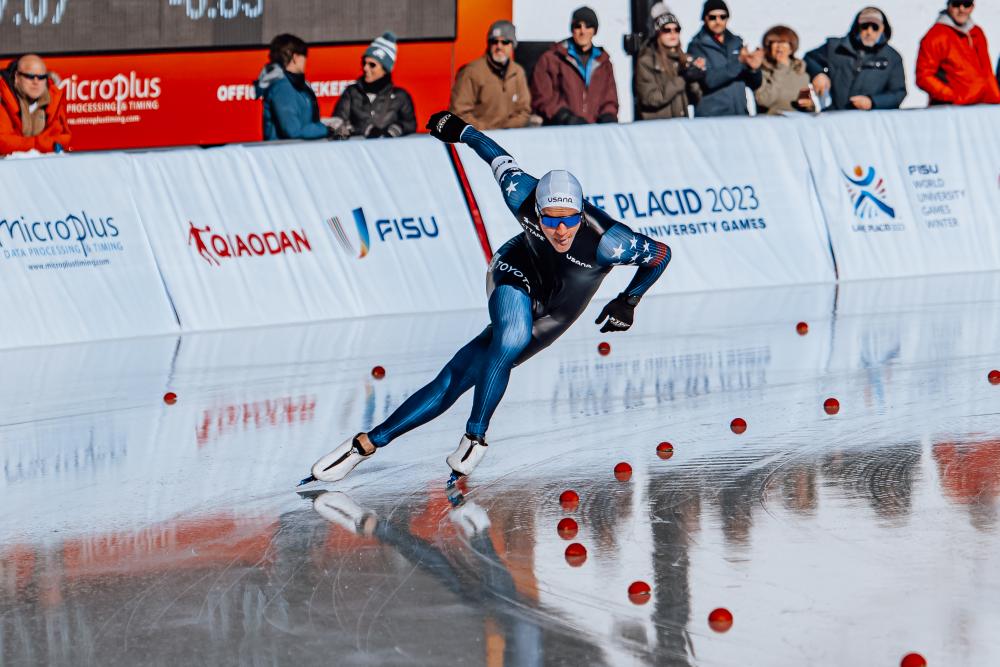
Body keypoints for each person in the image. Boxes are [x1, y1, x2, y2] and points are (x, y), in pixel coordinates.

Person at [304, 110, 671, 484]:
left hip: (557, 312)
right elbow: (497, 156)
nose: (560, 230)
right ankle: (475, 436)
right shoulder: (519, 193)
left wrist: (630, 300)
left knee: (460, 376)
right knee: (510, 335)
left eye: (570, 220)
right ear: (537, 210)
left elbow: (661, 256)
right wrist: (462, 131)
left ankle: (365, 443)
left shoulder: (613, 242)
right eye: (550, 219)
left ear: (581, 213)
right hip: (515, 269)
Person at [805, 7, 906, 111]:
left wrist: (873, 102)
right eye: (865, 26)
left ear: (883, 29)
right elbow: (810, 58)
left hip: (870, 121)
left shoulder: (893, 57)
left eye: (875, 27)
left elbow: (898, 93)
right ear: (857, 27)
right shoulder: (835, 47)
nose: (869, 32)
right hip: (834, 117)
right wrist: (818, 74)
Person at [530, 6, 619, 125]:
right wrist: (565, 117)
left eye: (588, 26)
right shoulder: (551, 59)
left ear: (595, 30)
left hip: (595, 133)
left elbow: (610, 99)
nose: (583, 31)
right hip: (561, 131)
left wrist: (608, 116)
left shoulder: (604, 63)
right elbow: (542, 97)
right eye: (578, 26)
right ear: (572, 29)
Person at [330, 32, 416, 139]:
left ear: (385, 69)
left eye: (372, 65)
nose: (366, 68)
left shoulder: (400, 96)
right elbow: (337, 124)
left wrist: (395, 129)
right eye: (364, 63)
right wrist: (364, 130)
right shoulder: (352, 92)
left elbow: (411, 124)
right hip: (358, 151)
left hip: (390, 152)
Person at [449, 20, 532, 130]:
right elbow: (458, 113)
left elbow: (524, 112)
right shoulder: (471, 72)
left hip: (509, 138)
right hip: (478, 140)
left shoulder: (518, 72)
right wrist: (486, 130)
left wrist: (505, 129)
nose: (499, 46)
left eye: (505, 42)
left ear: (513, 45)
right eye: (494, 41)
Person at [686, 0, 764, 117]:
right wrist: (739, 62)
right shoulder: (696, 46)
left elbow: (754, 84)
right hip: (712, 117)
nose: (718, 21)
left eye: (722, 16)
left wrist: (754, 69)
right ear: (705, 18)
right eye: (713, 17)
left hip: (739, 114)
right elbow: (709, 80)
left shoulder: (737, 43)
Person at [916, 0, 1000, 106]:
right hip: (952, 110)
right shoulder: (935, 36)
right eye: (956, 4)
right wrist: (953, 97)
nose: (961, 9)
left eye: (966, 4)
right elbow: (923, 76)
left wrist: (996, 98)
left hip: (981, 106)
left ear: (972, 6)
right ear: (948, 6)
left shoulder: (977, 33)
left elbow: (987, 71)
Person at [635, 3, 705, 120]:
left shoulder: (684, 59)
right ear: (658, 33)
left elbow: (695, 99)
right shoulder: (646, 61)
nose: (673, 34)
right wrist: (682, 79)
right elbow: (650, 99)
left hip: (681, 126)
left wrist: (694, 78)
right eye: (667, 30)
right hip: (657, 128)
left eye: (676, 29)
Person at [256, 34, 332, 141]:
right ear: (295, 58)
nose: (306, 61)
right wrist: (327, 130)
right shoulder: (282, 88)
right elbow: (293, 130)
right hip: (284, 154)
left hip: (296, 152)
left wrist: (326, 125)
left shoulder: (297, 84)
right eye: (304, 56)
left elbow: (305, 122)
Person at [0, 54, 70, 155]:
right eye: (30, 76)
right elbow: (3, 143)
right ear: (17, 77)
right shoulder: (2, 97)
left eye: (41, 77)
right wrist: (40, 144)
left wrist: (25, 144)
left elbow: (63, 139)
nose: (36, 82)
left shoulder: (53, 98)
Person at [755, 25, 813, 115]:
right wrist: (780, 68)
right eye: (775, 42)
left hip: (797, 124)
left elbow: (808, 108)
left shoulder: (801, 72)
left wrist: (809, 106)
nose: (779, 46)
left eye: (783, 42)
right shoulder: (761, 71)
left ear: (791, 47)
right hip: (770, 124)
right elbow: (764, 100)